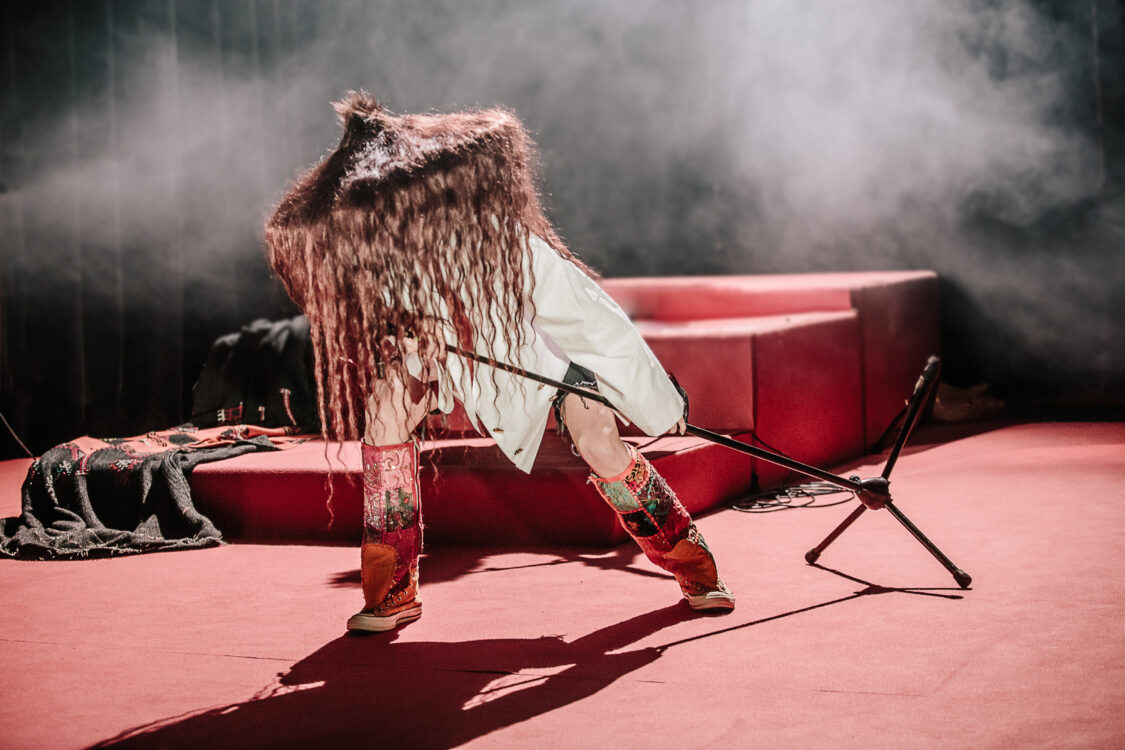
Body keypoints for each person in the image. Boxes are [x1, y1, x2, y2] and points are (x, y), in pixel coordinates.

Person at [265, 91, 734, 633]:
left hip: (552, 369)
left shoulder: (506, 246)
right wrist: (411, 339)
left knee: (601, 443)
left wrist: (657, 403)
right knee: (385, 411)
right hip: (452, 367)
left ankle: (691, 563)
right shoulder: (387, 258)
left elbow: (592, 321)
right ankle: (391, 589)